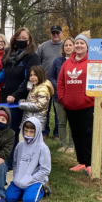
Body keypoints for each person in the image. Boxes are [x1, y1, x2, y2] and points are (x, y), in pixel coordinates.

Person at [0, 27, 40, 170]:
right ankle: (6, 159)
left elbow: (29, 79)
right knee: (6, 130)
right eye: (18, 39)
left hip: (22, 99)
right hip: (6, 98)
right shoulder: (9, 53)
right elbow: (3, 74)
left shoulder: (32, 56)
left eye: (23, 39)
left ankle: (20, 161)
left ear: (29, 40)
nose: (20, 41)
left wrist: (15, 95)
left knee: (21, 131)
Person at [57, 31, 94, 176]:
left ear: (87, 46)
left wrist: (88, 98)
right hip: (70, 106)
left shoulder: (91, 62)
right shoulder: (67, 63)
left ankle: (89, 163)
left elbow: (97, 84)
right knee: (76, 134)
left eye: (81, 43)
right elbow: (60, 82)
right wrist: (63, 98)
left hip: (86, 106)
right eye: (77, 43)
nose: (78, 45)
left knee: (87, 134)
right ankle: (81, 162)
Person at [5, 117, 52, 202]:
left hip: (34, 181)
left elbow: (45, 170)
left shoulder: (43, 148)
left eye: (31, 132)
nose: (28, 134)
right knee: (8, 198)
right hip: (19, 180)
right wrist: (17, 176)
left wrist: (30, 178)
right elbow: (15, 164)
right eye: (26, 131)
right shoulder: (20, 145)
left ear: (37, 132)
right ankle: (24, 192)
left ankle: (42, 189)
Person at [37, 25, 63, 141]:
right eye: (53, 33)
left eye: (57, 33)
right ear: (51, 34)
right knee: (44, 109)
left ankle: (57, 132)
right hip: (45, 83)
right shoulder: (43, 47)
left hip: (60, 83)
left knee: (58, 109)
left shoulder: (65, 46)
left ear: (61, 33)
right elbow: (37, 63)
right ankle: (44, 131)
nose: (55, 35)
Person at [50, 37, 75, 153]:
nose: (68, 47)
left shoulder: (77, 61)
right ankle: (63, 144)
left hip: (73, 97)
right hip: (58, 96)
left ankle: (72, 146)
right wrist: (60, 87)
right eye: (66, 45)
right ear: (63, 48)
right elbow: (52, 77)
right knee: (61, 122)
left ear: (74, 47)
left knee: (72, 122)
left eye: (70, 45)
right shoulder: (57, 61)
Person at [19, 65, 54, 131]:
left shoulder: (42, 89)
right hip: (30, 118)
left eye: (35, 75)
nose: (32, 77)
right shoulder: (35, 86)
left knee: (33, 140)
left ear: (41, 75)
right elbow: (33, 101)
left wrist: (23, 105)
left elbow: (39, 106)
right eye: (31, 75)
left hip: (36, 121)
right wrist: (24, 101)